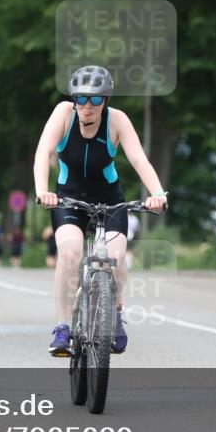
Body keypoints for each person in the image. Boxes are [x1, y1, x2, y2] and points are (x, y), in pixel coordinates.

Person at [34, 65, 167, 357]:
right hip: (68, 198)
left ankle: (115, 313)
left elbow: (139, 159)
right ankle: (62, 327)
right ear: (74, 99)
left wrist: (157, 194)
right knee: (69, 254)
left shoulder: (118, 121)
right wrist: (43, 191)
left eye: (95, 100)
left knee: (117, 259)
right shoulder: (64, 115)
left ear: (105, 100)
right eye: (81, 99)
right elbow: (43, 151)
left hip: (109, 199)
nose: (88, 106)